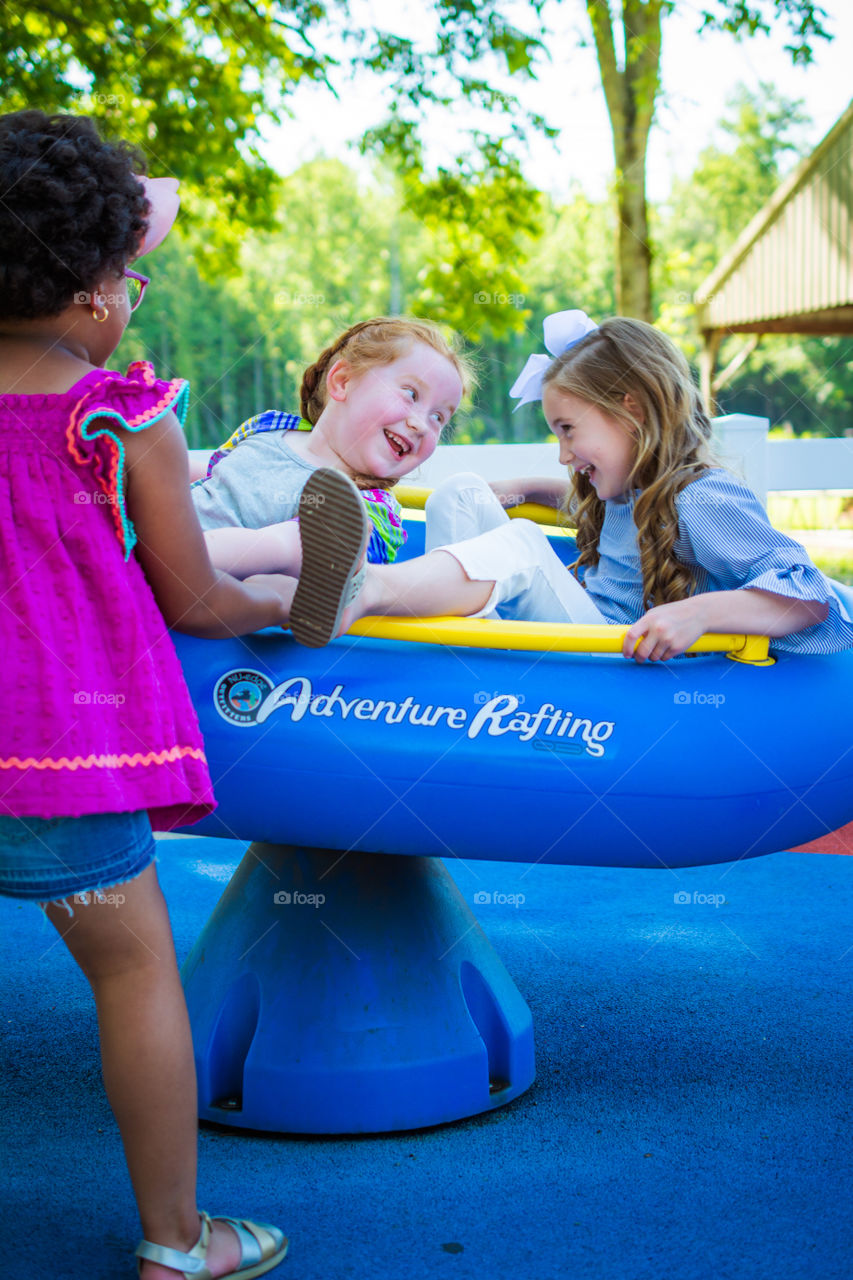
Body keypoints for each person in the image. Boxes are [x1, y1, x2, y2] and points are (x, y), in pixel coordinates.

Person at [0, 109, 291, 1279]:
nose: (138, 291)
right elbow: (200, 602)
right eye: (133, 273)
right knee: (136, 976)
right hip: (59, 752)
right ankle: (178, 1239)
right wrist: (292, 602)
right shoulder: (119, 415)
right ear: (87, 301)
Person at [287, 311, 853, 660]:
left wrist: (699, 615)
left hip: (610, 654)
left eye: (568, 430)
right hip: (577, 625)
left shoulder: (702, 497)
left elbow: (809, 595)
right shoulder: (632, 491)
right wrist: (521, 487)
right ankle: (444, 642)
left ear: (630, 410)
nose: (563, 454)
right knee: (460, 489)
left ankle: (368, 590)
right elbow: (603, 519)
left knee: (527, 549)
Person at [191, 317, 469, 579]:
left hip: (201, 581)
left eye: (439, 418)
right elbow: (214, 475)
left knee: (309, 541)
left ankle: (186, 554)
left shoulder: (375, 508)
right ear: (342, 381)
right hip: (161, 533)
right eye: (411, 394)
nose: (422, 425)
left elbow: (342, 565)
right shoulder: (268, 426)